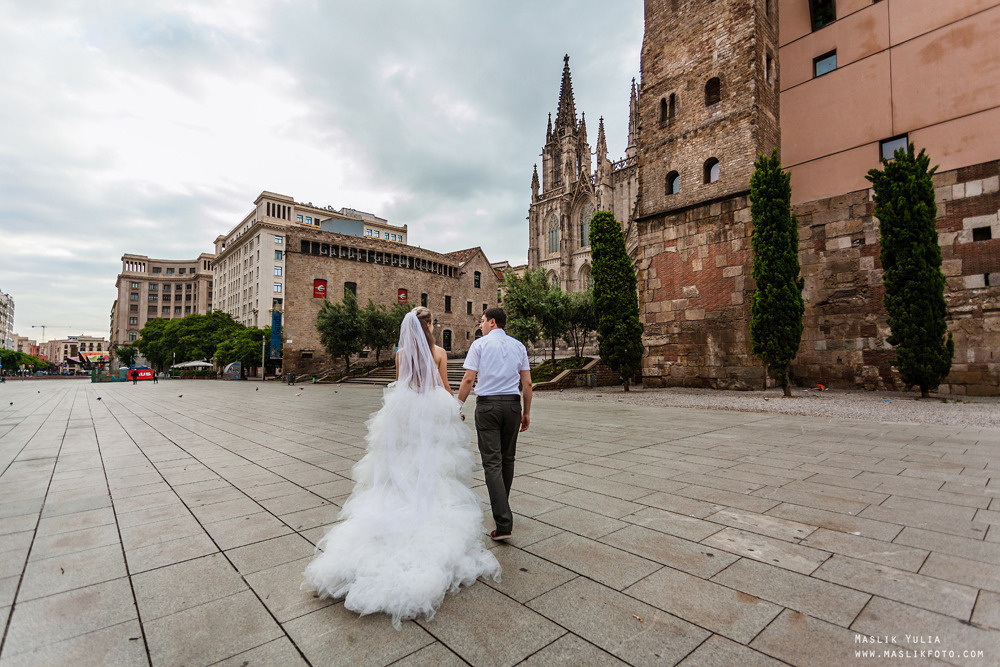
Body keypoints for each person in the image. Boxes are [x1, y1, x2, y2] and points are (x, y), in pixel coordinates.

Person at [302, 307, 500, 629]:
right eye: (432, 322)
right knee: (433, 468)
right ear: (428, 326)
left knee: (400, 468)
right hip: (431, 412)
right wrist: (455, 410)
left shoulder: (401, 353)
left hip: (406, 412)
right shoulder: (438, 352)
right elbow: (443, 386)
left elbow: (400, 384)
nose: (434, 326)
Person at [457, 307, 532, 542]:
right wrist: (526, 412)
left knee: (492, 463)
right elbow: (527, 383)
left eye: (482, 321)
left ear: (492, 322)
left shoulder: (479, 345)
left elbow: (469, 378)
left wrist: (456, 406)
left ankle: (503, 522)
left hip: (488, 406)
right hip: (512, 406)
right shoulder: (519, 346)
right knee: (507, 459)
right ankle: (503, 510)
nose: (480, 325)